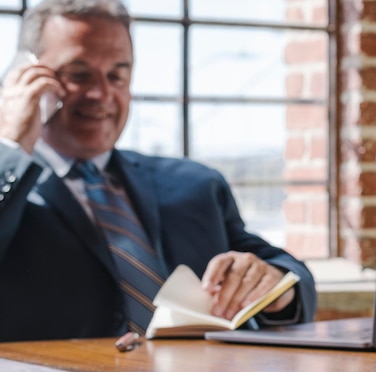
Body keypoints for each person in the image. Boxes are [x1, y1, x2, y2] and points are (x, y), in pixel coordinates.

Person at [0, 0, 316, 343]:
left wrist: (273, 285)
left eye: (117, 75)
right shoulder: (11, 185)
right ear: (25, 78)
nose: (102, 94)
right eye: (78, 74)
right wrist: (11, 143)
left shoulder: (198, 186)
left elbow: (287, 274)